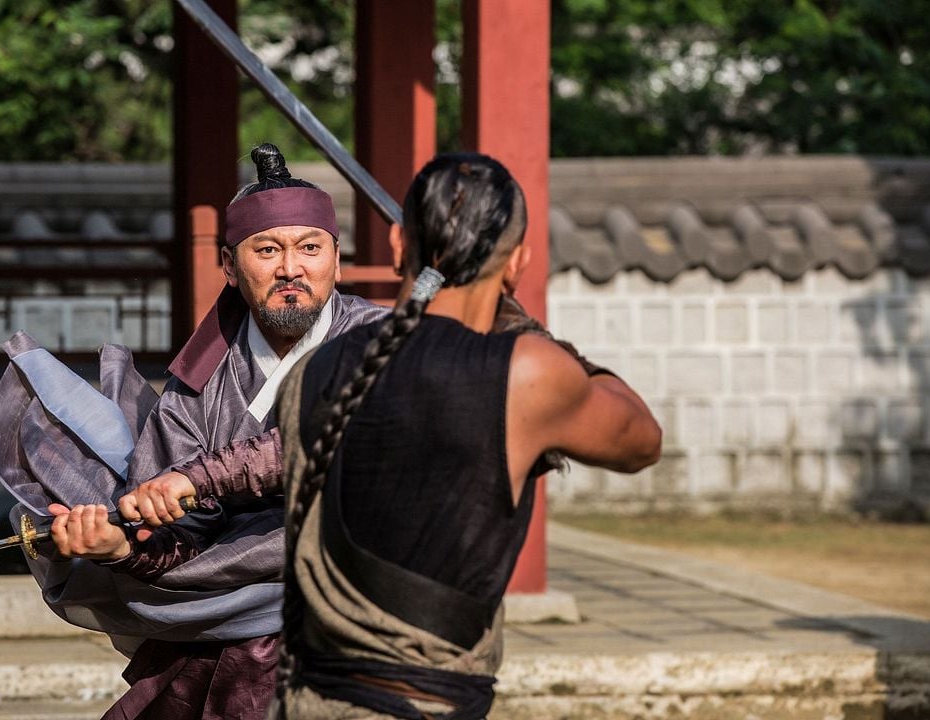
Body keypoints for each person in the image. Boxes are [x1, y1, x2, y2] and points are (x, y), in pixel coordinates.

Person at [271, 153, 663, 718]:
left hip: (303, 700)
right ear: (518, 264)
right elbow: (642, 440)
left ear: (398, 245)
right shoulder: (526, 373)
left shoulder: (313, 370)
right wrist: (535, 334)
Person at [35, 143, 387, 719]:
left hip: (362, 608)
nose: (291, 269)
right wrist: (120, 545)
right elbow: (181, 545)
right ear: (228, 264)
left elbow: (332, 434)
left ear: (337, 259)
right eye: (267, 250)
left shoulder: (385, 342)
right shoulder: (197, 389)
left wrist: (197, 479)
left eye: (310, 248)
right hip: (236, 626)